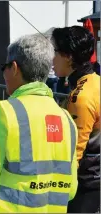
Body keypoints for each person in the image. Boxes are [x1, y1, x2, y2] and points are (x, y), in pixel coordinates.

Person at [0, 33, 78, 213]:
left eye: (4, 67)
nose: (3, 73)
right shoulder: (66, 119)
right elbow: (70, 190)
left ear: (15, 68)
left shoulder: (3, 112)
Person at [51, 26, 100, 213]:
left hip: (84, 184)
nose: (51, 58)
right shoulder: (94, 80)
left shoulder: (81, 96)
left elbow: (75, 153)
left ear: (69, 57)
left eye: (54, 51)